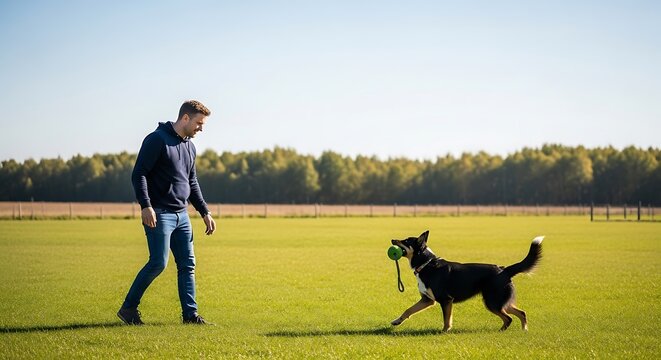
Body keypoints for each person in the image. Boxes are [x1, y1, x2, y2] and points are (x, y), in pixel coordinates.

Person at [118, 100, 217, 325]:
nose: (201, 128)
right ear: (185, 118)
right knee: (158, 263)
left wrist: (204, 211)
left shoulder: (190, 147)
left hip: (182, 216)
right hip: (159, 213)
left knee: (187, 265)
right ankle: (128, 309)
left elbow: (191, 182)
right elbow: (139, 174)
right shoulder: (156, 140)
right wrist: (146, 206)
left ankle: (190, 316)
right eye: (199, 123)